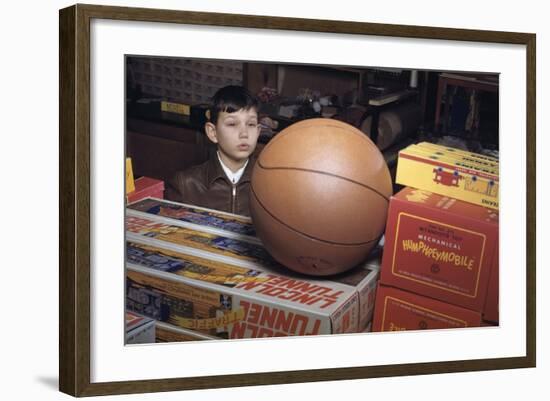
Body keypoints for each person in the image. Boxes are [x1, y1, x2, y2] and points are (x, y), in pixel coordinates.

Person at [166, 85, 261, 216]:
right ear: (213, 132)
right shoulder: (185, 184)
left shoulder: (271, 183)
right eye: (232, 124)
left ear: (258, 131)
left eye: (251, 124)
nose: (244, 134)